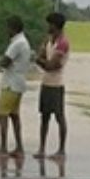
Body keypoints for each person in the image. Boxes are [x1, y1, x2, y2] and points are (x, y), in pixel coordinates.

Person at [0, 15, 30, 159]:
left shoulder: (17, 43)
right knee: (14, 116)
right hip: (18, 83)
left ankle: (3, 148)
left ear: (12, 28)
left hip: (11, 84)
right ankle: (19, 148)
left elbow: (5, 61)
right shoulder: (23, 41)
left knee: (2, 115)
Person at [34, 11, 70, 159]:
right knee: (44, 117)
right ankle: (42, 148)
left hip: (56, 84)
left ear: (55, 25)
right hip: (46, 83)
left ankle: (61, 150)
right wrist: (43, 61)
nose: (47, 27)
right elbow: (46, 62)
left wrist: (41, 61)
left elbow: (51, 65)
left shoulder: (62, 43)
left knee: (59, 117)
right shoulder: (49, 41)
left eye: (49, 24)